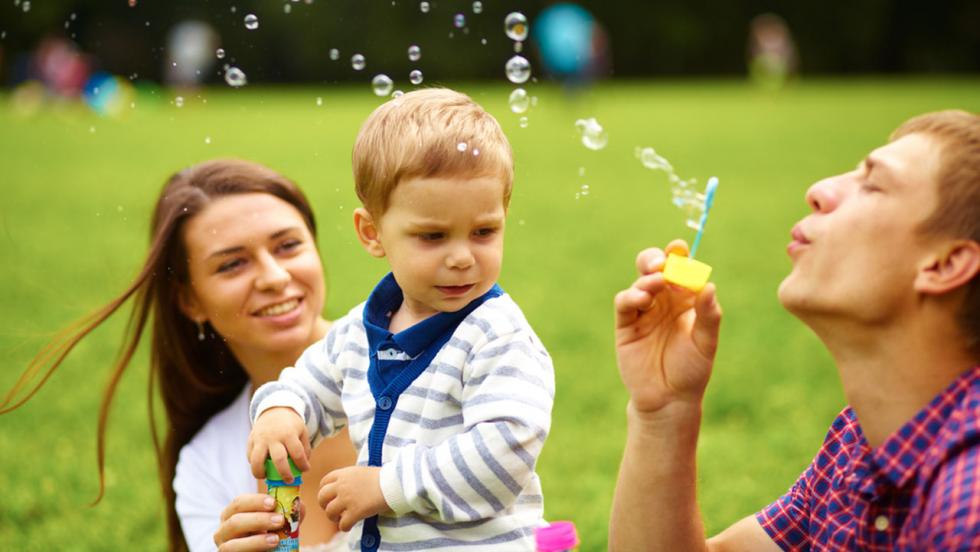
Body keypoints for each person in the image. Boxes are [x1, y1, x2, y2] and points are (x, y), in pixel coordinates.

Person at [609, 109, 980, 550]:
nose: (818, 190)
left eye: (873, 183)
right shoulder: (857, 445)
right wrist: (665, 412)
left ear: (945, 264)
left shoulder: (968, 503)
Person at [247, 88, 555, 551]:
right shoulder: (359, 332)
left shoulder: (497, 336)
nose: (462, 257)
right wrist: (279, 410)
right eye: (432, 236)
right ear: (372, 233)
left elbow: (504, 452)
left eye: (484, 231)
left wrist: (386, 487)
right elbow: (306, 386)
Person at [0, 159, 358, 552]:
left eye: (288, 245)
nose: (274, 276)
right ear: (190, 300)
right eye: (233, 263)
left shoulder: (418, 370)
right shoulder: (207, 463)